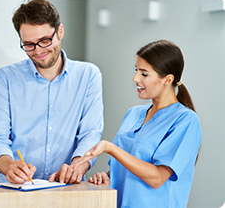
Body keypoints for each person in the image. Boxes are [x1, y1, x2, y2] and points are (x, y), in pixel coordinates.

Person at [0, 0, 103, 184]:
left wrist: (78, 165)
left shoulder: (88, 75)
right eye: (29, 44)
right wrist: (8, 166)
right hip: (17, 189)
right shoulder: (4, 78)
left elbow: (90, 133)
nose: (38, 51)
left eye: (44, 41)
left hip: (67, 187)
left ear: (60, 31)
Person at [71, 40, 202, 208]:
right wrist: (106, 177)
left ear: (167, 79)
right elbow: (124, 170)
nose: (135, 78)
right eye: (136, 70)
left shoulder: (185, 121)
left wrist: (110, 148)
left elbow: (157, 178)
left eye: (144, 74)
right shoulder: (133, 114)